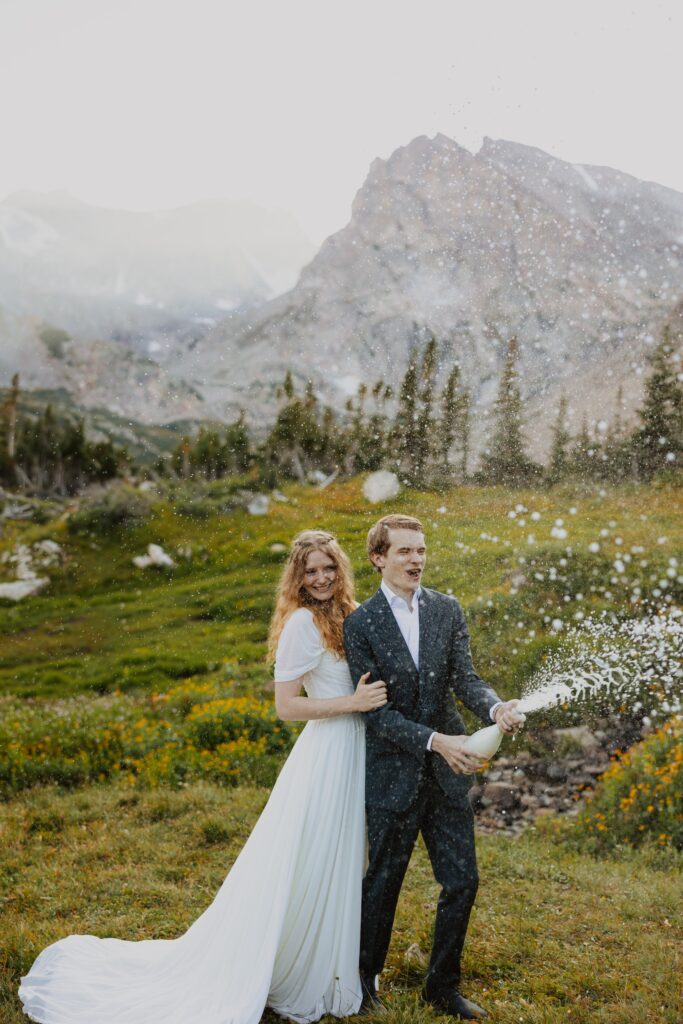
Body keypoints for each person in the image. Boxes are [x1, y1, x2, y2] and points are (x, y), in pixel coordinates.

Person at [19, 529, 387, 1024]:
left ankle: (339, 961)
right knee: (317, 858)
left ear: (340, 568)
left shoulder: (352, 612)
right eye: (310, 571)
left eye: (328, 568)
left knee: (344, 859)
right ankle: (305, 967)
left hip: (361, 749)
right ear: (297, 579)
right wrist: (352, 703)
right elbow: (286, 706)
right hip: (328, 753)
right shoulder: (302, 623)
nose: (321, 578)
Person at [344, 514, 523, 1022]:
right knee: (383, 884)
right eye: (404, 551)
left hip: (447, 776)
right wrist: (435, 741)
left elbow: (466, 678)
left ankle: (442, 988)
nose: (416, 560)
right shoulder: (360, 624)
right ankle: (363, 985)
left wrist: (494, 709)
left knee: (462, 881)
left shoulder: (448, 609)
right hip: (392, 776)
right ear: (379, 558)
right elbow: (374, 712)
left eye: (421, 550)